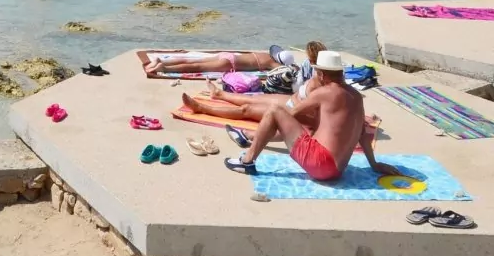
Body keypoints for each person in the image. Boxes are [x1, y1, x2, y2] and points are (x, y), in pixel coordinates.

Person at [223, 50, 394, 181]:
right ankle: (248, 137)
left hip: (320, 164)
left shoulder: (324, 92)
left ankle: (247, 161)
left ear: (321, 74)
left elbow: (290, 113)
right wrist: (374, 164)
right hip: (338, 171)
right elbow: (363, 134)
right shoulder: (356, 96)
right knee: (311, 123)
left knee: (274, 111)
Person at [181, 41, 329, 121]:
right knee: (254, 98)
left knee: (247, 109)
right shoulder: (314, 71)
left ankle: (201, 108)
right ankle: (219, 94)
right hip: (292, 100)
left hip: (297, 108)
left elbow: (310, 107)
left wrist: (286, 115)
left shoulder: (323, 81)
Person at [145, 46, 286, 77]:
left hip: (228, 55)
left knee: (194, 60)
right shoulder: (271, 63)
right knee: (198, 66)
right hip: (230, 63)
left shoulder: (264, 55)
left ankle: (162, 61)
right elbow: (283, 70)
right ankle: (165, 68)